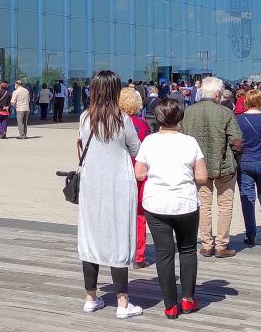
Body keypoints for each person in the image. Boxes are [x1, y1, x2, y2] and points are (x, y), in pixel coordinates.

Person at [75, 70, 143, 319]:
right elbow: (136, 148)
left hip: (91, 185)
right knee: (117, 238)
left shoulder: (85, 118)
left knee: (90, 236)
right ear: (115, 91)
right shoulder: (121, 119)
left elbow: (82, 145)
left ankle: (90, 297)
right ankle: (123, 302)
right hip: (118, 184)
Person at [134, 98, 206, 319]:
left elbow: (139, 173)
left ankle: (170, 305)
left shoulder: (149, 142)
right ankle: (188, 299)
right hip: (185, 202)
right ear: (180, 118)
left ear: (157, 118)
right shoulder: (190, 142)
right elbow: (202, 176)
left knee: (164, 255)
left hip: (156, 203)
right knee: (187, 250)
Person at [182, 77, 242, 258]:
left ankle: (207, 244)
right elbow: (237, 142)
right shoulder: (225, 112)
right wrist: (236, 159)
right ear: (218, 94)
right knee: (225, 206)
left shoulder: (188, 112)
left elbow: (182, 138)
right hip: (223, 166)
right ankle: (221, 245)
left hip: (198, 167)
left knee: (204, 205)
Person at [235, 89, 261, 244]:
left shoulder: (239, 119)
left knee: (248, 198)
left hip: (246, 160)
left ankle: (251, 234)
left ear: (246, 101)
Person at [118, 87, 152, 269]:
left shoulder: (114, 123)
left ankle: (121, 251)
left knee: (120, 214)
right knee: (139, 215)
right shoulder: (142, 124)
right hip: (138, 173)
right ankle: (138, 255)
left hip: (119, 173)